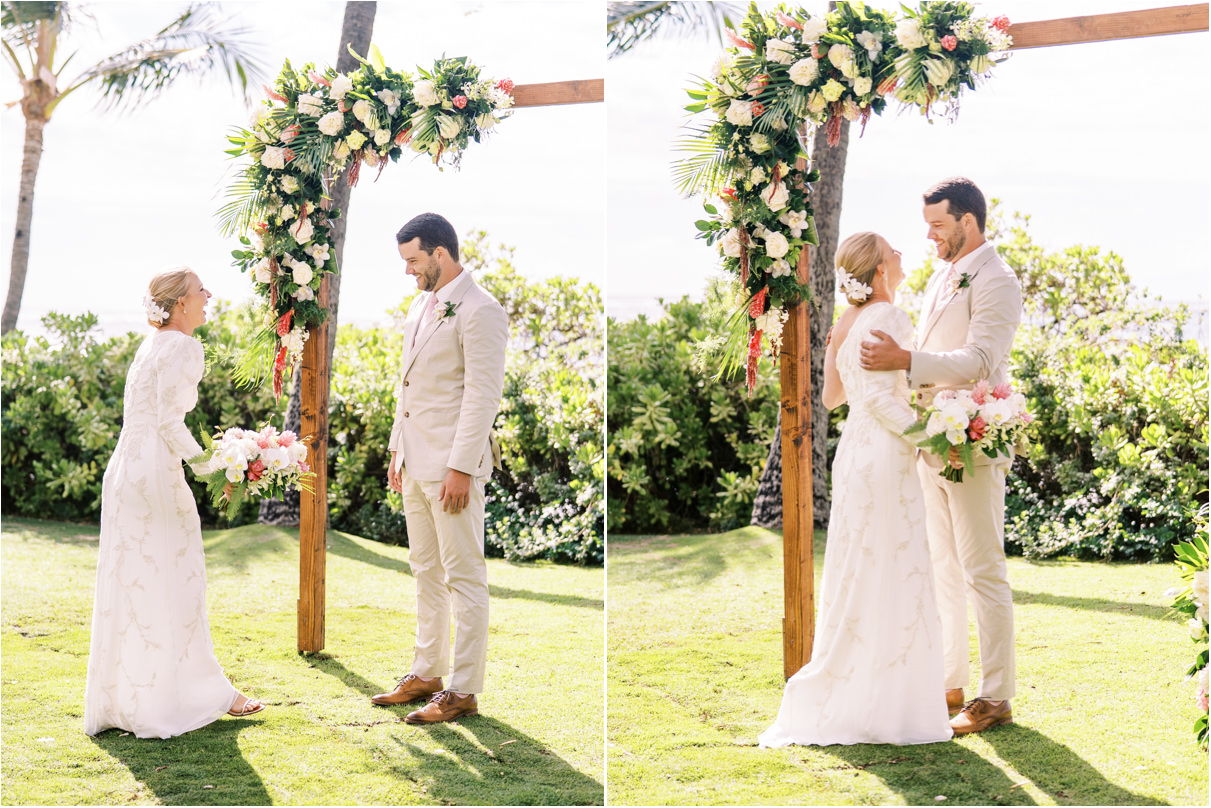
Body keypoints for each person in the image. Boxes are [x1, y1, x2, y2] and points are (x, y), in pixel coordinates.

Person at [759, 233, 953, 747]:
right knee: (892, 565)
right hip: (885, 456)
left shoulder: (848, 322)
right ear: (879, 270)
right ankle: (889, 705)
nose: (902, 254)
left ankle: (865, 691)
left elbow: (831, 398)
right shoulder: (890, 318)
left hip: (855, 455)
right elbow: (886, 405)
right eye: (894, 250)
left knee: (862, 568)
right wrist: (933, 441)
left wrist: (837, 355)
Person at [860, 177, 1023, 735]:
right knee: (945, 571)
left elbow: (980, 359)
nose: (928, 236)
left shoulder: (997, 279)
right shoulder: (943, 275)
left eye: (937, 225)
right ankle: (950, 681)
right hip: (934, 439)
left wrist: (905, 358)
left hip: (973, 439)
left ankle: (996, 695)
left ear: (967, 223)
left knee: (983, 569)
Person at [84, 268, 264, 739]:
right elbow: (170, 422)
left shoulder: (150, 346)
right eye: (200, 290)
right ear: (180, 304)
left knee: (140, 583)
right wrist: (220, 465)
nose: (208, 296)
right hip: (156, 477)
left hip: (126, 471)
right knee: (178, 582)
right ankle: (197, 696)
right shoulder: (185, 347)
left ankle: (132, 699)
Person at [371, 213, 508, 724]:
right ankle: (426, 672)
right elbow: (408, 388)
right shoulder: (420, 304)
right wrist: (396, 450)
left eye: (413, 260)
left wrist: (461, 468)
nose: (408, 271)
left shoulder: (481, 310)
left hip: (453, 469)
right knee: (425, 571)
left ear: (440, 254)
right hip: (413, 462)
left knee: (464, 576)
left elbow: (481, 396)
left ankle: (463, 690)